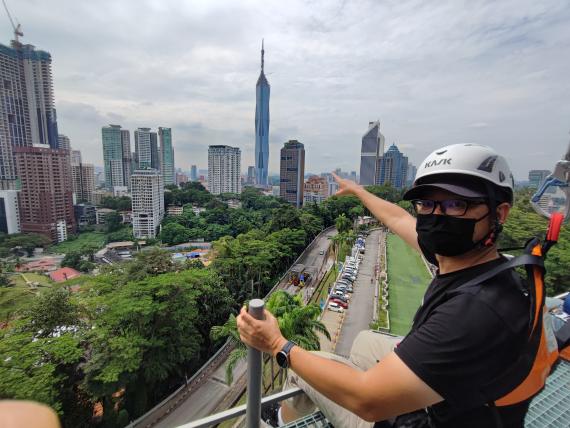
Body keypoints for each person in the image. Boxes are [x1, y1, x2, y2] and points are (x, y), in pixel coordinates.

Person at [237, 144, 536, 428]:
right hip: (459, 396)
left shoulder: (474, 311)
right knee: (365, 341)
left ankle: (279, 421)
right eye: (427, 204)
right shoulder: (469, 260)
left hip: (423, 419)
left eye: (457, 204)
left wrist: (277, 344)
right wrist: (358, 191)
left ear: (499, 214)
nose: (437, 216)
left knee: (304, 367)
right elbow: (397, 217)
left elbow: (367, 400)